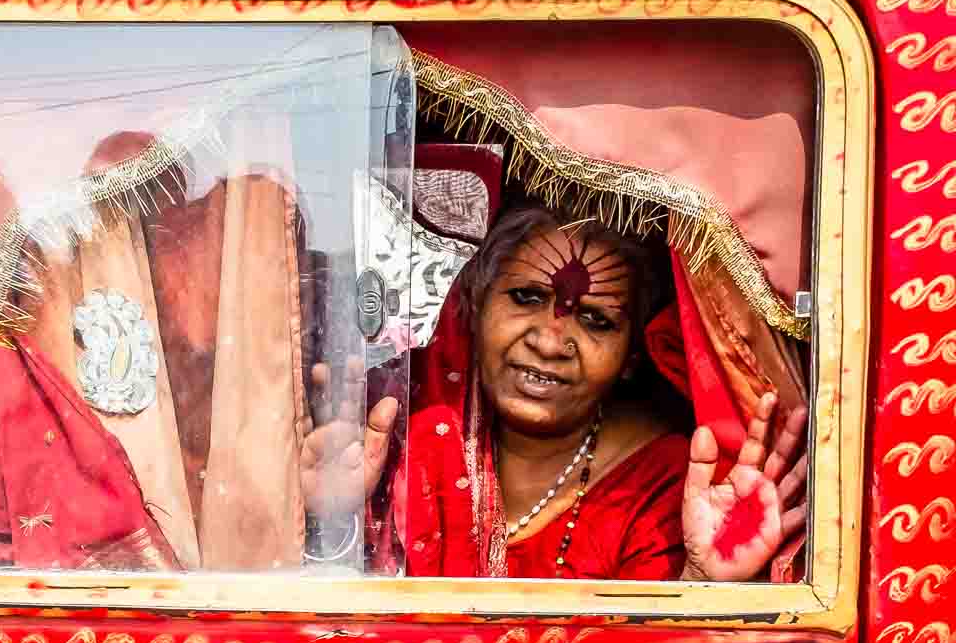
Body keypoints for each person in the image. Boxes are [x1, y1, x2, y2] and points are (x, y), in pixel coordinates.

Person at [300, 204, 807, 581]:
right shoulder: (405, 442)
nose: (549, 341)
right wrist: (330, 522)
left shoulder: (666, 486)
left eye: (595, 321)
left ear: (632, 357)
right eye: (526, 298)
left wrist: (702, 584)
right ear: (475, 306)